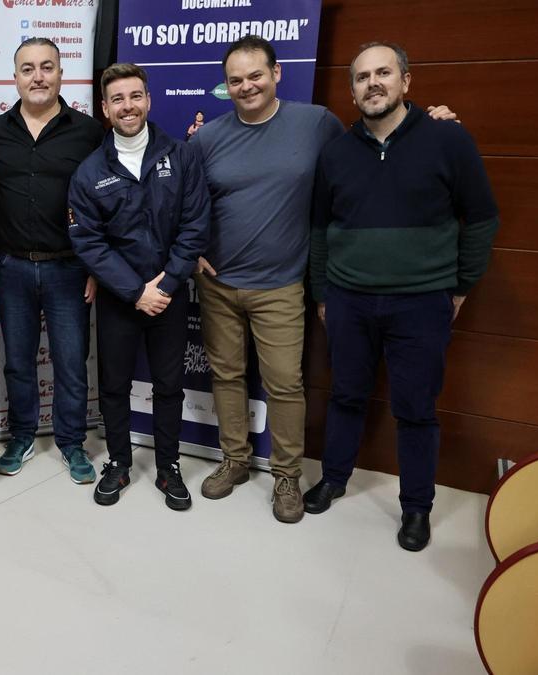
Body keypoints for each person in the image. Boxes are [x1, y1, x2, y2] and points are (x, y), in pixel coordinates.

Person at [188, 35, 461, 524]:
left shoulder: (316, 124)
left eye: (256, 75)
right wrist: (194, 252)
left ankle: (287, 475)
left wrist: (429, 123)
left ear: (276, 75)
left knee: (285, 385)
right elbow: (186, 203)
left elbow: (374, 145)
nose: (246, 86)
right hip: (219, 284)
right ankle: (234, 460)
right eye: (235, 80)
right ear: (224, 86)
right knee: (226, 376)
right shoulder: (208, 138)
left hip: (282, 285)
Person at [306, 42, 500, 551]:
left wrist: (459, 287)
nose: (373, 83)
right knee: (346, 395)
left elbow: (481, 217)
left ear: (406, 81)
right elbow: (321, 229)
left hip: (421, 302)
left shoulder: (447, 140)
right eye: (362, 77)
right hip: (349, 300)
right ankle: (333, 478)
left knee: (415, 408)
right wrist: (324, 294)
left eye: (383, 73)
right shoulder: (336, 153)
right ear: (351, 90)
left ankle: (416, 507)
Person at [67, 63, 210, 510]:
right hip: (119, 300)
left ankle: (168, 467)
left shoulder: (180, 156)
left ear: (148, 100)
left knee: (169, 385)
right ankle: (119, 463)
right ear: (105, 109)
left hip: (168, 294)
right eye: (117, 100)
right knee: (113, 386)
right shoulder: (90, 172)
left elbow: (195, 223)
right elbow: (87, 240)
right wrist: (135, 290)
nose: (127, 106)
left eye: (135, 97)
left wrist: (166, 283)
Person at [0, 37, 104, 484]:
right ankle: (22, 436)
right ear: (15, 78)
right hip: (11, 265)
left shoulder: (89, 132)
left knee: (72, 361)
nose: (38, 76)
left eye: (47, 67)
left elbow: (104, 202)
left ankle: (72, 443)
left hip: (69, 267)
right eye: (28, 68)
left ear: (60, 74)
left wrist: (97, 265)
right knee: (17, 360)